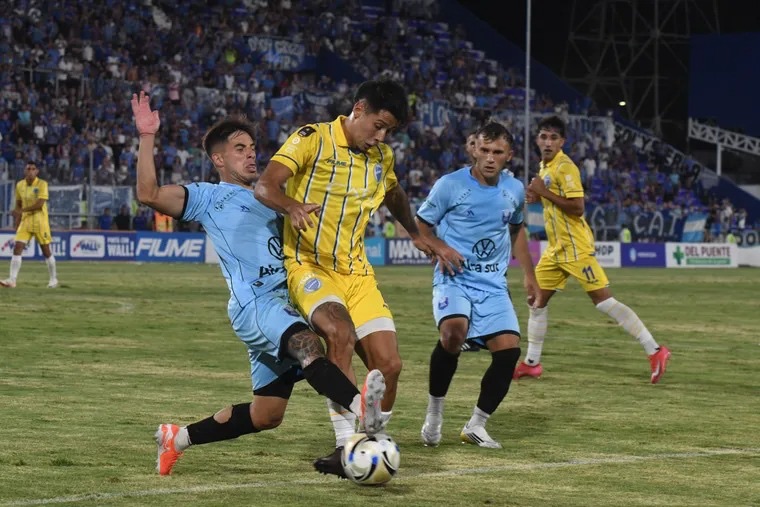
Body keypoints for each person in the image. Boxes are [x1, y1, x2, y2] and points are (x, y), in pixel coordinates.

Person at [130, 92, 387, 476]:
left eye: (252, 148)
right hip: (256, 305)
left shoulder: (275, 198)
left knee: (267, 414)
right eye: (239, 149)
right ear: (218, 159)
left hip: (284, 304)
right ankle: (361, 414)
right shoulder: (208, 197)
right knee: (309, 345)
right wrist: (147, 136)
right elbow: (148, 194)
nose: (251, 155)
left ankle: (176, 439)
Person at [255, 78, 436, 477]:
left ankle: (371, 439)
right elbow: (265, 185)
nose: (381, 136)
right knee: (339, 333)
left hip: (357, 273)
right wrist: (291, 206)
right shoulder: (312, 139)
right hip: (309, 266)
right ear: (358, 109)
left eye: (389, 130)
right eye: (378, 125)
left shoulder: (382, 157)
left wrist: (415, 233)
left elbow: (394, 194)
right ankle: (345, 446)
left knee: (389, 365)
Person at [516, 115, 671, 384]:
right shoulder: (545, 167)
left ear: (562, 141)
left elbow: (578, 207)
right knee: (536, 301)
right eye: (544, 137)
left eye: (554, 138)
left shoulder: (566, 167)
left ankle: (655, 350)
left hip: (576, 248)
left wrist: (544, 192)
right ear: (537, 140)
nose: (548, 142)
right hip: (556, 250)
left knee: (603, 302)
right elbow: (556, 203)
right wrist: (539, 196)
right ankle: (532, 363)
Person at [416, 122, 540, 448]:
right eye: (484, 150)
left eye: (497, 152)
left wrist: (529, 274)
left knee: (509, 351)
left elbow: (516, 230)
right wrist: (439, 248)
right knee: (453, 333)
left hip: (493, 283)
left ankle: (476, 425)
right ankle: (434, 414)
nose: (489, 158)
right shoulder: (450, 185)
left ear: (509, 155)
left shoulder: (514, 190)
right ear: (474, 149)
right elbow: (421, 226)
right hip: (454, 277)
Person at [0, 162, 58, 288]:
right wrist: (17, 221)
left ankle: (53, 279)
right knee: (17, 247)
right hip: (25, 221)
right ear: (25, 171)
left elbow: (39, 204)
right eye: (28, 169)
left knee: (46, 251)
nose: (30, 171)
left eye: (33, 169)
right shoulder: (20, 185)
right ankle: (12, 280)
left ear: (37, 171)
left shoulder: (42, 184)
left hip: (40, 221)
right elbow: (18, 204)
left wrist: (21, 211)